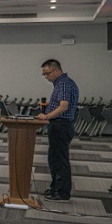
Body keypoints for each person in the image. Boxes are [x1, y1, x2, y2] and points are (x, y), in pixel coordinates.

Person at [37, 59, 79, 202]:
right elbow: (61, 104)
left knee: (60, 160)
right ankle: (55, 188)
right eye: (44, 74)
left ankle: (62, 192)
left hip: (61, 125)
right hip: (59, 125)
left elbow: (64, 106)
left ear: (56, 70)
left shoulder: (64, 83)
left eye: (47, 73)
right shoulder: (61, 83)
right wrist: (50, 105)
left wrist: (47, 116)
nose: (46, 77)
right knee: (54, 159)